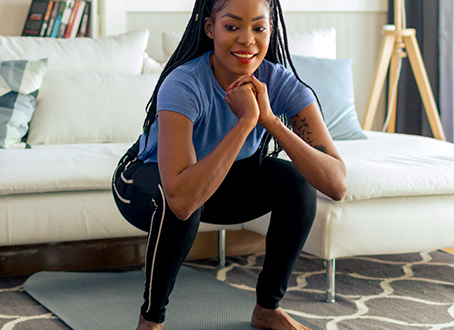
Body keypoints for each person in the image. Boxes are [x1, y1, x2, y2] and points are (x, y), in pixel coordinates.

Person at [112, 0, 347, 329]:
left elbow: (336, 184)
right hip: (144, 181)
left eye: (259, 28)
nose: (247, 39)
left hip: (218, 184)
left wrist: (269, 120)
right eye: (233, 26)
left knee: (296, 180)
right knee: (182, 198)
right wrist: (245, 122)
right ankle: (150, 321)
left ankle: (267, 309)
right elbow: (181, 199)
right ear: (210, 28)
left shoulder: (279, 81)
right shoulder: (184, 83)